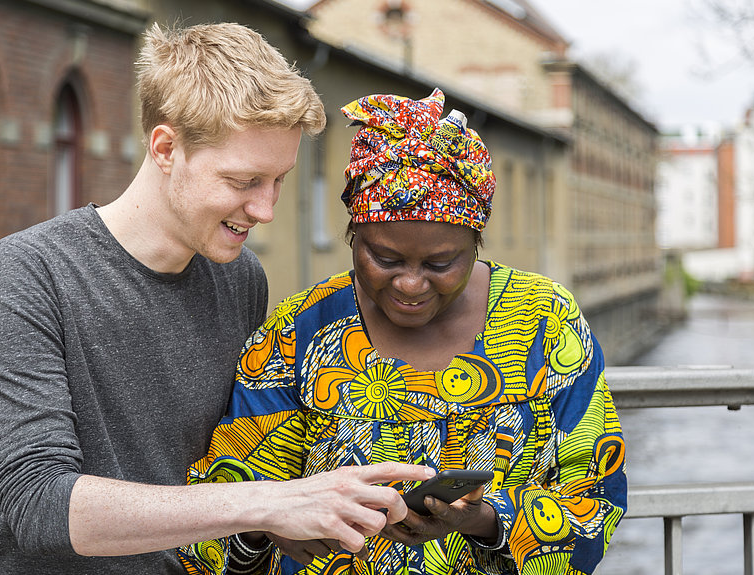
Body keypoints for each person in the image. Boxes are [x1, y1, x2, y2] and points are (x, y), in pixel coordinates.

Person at [0, 22, 435, 575]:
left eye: (278, 179)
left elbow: (236, 462)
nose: (266, 209)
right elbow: (38, 506)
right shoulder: (28, 271)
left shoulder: (239, 278)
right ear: (166, 148)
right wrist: (275, 502)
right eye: (243, 181)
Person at [179, 88, 628, 575]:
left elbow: (596, 499)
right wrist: (269, 525)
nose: (410, 284)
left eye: (441, 262)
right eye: (384, 258)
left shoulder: (543, 322)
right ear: (353, 237)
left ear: (475, 243)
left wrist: (484, 520)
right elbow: (225, 504)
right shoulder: (300, 330)